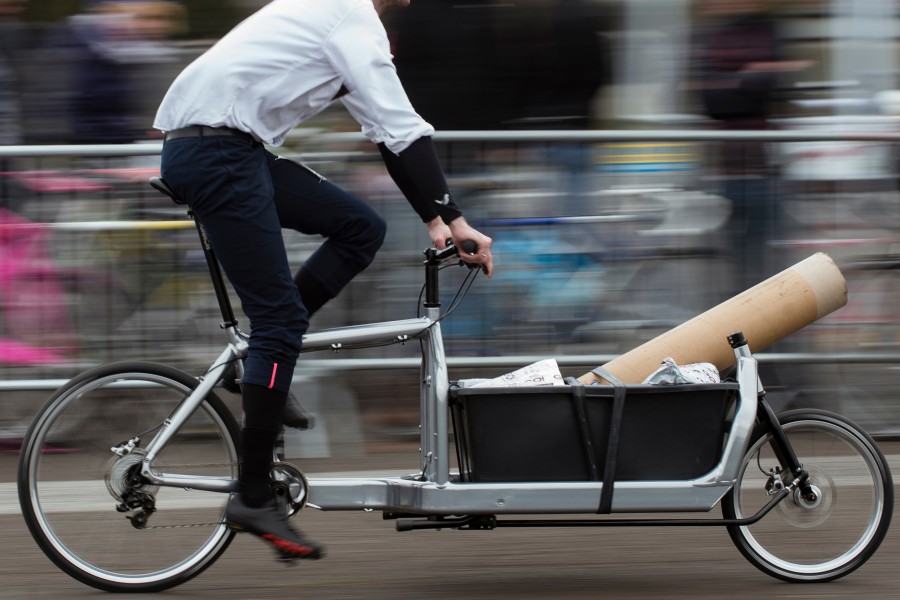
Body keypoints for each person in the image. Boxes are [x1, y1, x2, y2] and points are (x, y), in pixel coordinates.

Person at [153, 0, 493, 561]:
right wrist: (453, 219)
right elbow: (402, 128)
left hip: (228, 149)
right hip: (217, 154)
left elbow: (386, 130)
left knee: (360, 228)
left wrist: (437, 219)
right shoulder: (350, 14)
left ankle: (259, 363)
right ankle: (252, 494)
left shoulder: (329, 14)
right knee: (279, 319)